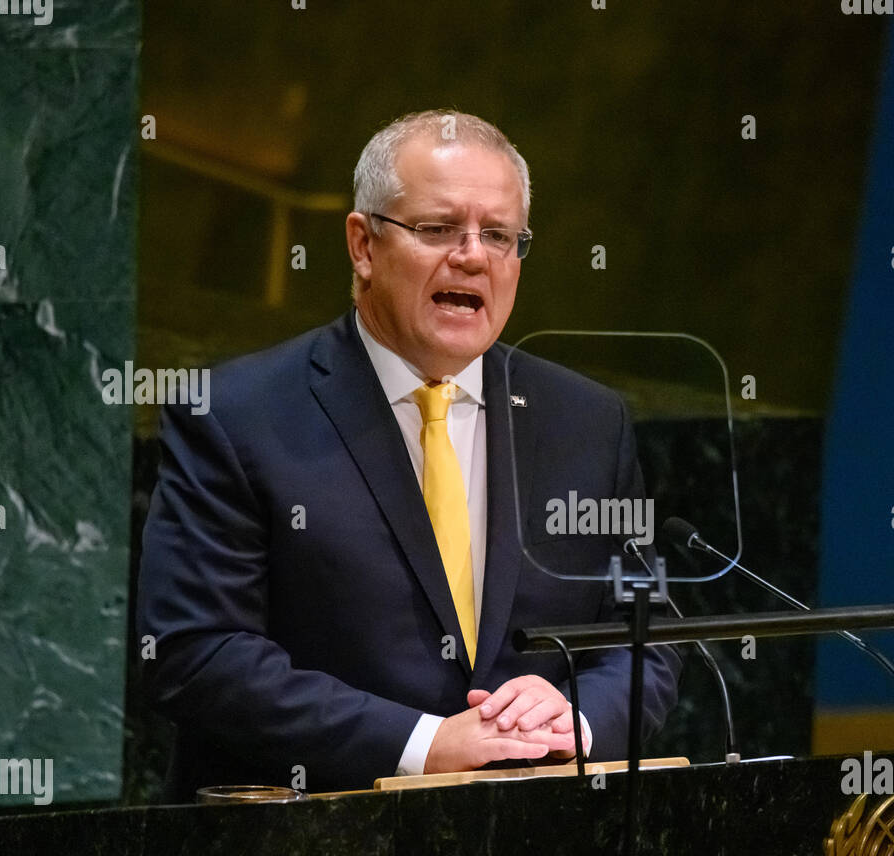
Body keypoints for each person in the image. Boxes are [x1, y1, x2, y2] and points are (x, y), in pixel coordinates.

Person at [138, 109, 682, 800]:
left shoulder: (588, 423)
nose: (473, 255)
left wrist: (575, 718)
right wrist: (423, 744)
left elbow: (649, 636)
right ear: (362, 245)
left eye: (500, 235)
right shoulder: (238, 415)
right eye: (437, 229)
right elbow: (195, 652)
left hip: (535, 855)